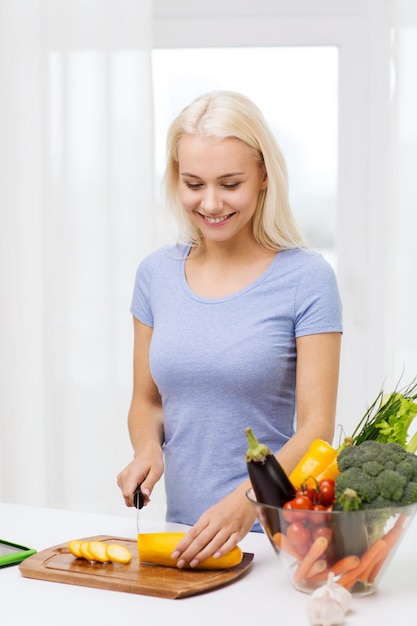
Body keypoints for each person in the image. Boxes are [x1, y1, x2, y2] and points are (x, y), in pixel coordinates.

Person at [117, 90, 342, 569]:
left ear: (263, 176)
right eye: (194, 183)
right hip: (183, 535)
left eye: (230, 183)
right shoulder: (155, 274)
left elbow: (316, 427)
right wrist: (146, 450)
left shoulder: (307, 278)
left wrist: (250, 501)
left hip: (278, 540)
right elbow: (148, 400)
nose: (211, 202)